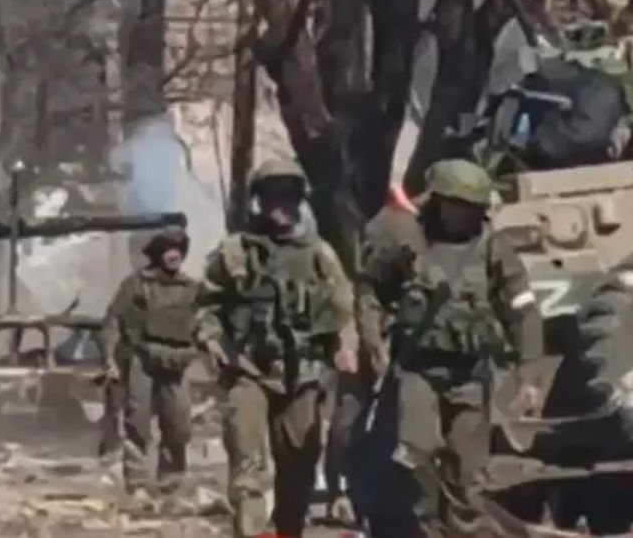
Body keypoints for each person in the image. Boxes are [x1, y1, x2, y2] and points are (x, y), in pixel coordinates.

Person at [356, 158, 545, 536]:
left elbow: (522, 311)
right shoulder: (407, 241)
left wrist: (530, 375)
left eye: (472, 209)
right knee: (418, 457)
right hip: (418, 370)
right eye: (457, 206)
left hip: (470, 375)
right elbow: (370, 289)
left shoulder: (494, 248)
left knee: (468, 474)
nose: (464, 216)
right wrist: (372, 340)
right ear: (439, 202)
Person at [194, 159, 359, 537]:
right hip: (247, 369)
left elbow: (343, 306)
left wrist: (344, 344)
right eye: (271, 196)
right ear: (259, 201)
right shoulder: (235, 252)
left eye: (288, 195)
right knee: (248, 467)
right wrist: (212, 340)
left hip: (302, 374)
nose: (280, 204)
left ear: (300, 199)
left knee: (300, 463)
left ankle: (288, 530)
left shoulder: (319, 254)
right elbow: (205, 304)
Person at [99, 227, 200, 495]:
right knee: (138, 423)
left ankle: (171, 481)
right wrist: (110, 359)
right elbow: (112, 322)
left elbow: (205, 324)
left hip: (177, 362)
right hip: (141, 359)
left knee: (178, 424)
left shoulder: (192, 289)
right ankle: (138, 482)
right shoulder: (137, 284)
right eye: (168, 250)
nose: (174, 255)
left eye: (178, 250)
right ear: (157, 254)